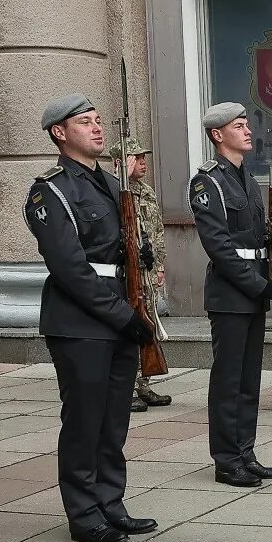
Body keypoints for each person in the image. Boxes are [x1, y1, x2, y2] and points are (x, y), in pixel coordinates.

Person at [25, 94, 159, 542]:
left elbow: (110, 250)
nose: (98, 128)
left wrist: (133, 255)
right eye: (86, 122)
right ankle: (84, 513)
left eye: (99, 120)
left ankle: (111, 501)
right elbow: (71, 268)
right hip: (81, 320)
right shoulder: (51, 190)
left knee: (113, 417)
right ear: (59, 133)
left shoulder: (109, 183)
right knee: (84, 420)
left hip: (119, 311)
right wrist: (123, 315)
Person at [191, 102, 272, 486]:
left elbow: (252, 237)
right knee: (228, 380)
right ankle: (226, 459)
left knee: (249, 379)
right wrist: (260, 285)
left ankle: (245, 452)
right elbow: (219, 247)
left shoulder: (248, 179)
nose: (248, 130)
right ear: (218, 135)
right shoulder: (207, 182)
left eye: (247, 124)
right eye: (239, 125)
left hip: (253, 291)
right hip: (231, 294)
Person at [107, 138, 172, 414]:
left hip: (147, 267)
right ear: (121, 162)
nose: (143, 163)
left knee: (148, 323)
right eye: (136, 158)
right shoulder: (113, 192)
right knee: (132, 323)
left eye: (144, 158)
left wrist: (159, 265)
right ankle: (128, 387)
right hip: (127, 271)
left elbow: (156, 230)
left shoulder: (146, 191)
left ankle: (143, 384)